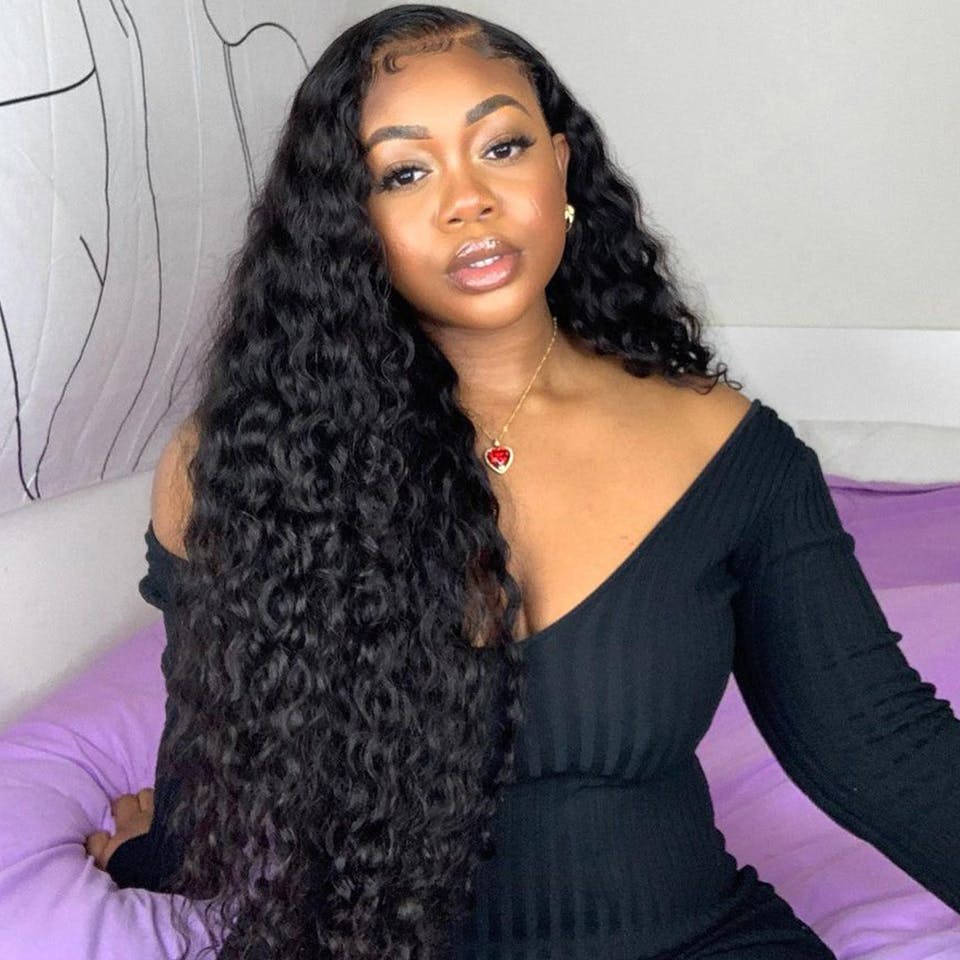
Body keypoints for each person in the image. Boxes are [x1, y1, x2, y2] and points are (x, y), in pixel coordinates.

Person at [83, 4, 960, 959]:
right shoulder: (243, 465)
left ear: (561, 167)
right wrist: (164, 853)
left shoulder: (727, 448)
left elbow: (882, 743)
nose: (469, 201)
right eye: (405, 172)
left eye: (501, 148)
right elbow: (215, 728)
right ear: (347, 221)